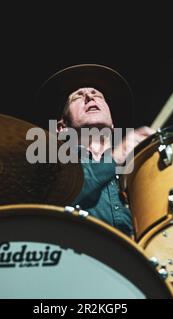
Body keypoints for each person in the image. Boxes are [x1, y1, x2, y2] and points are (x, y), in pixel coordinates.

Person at [37, 64, 155, 237]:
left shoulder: (135, 170)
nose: (89, 97)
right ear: (62, 127)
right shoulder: (51, 163)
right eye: (78, 97)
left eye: (97, 94)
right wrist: (113, 158)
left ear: (113, 124)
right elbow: (53, 205)